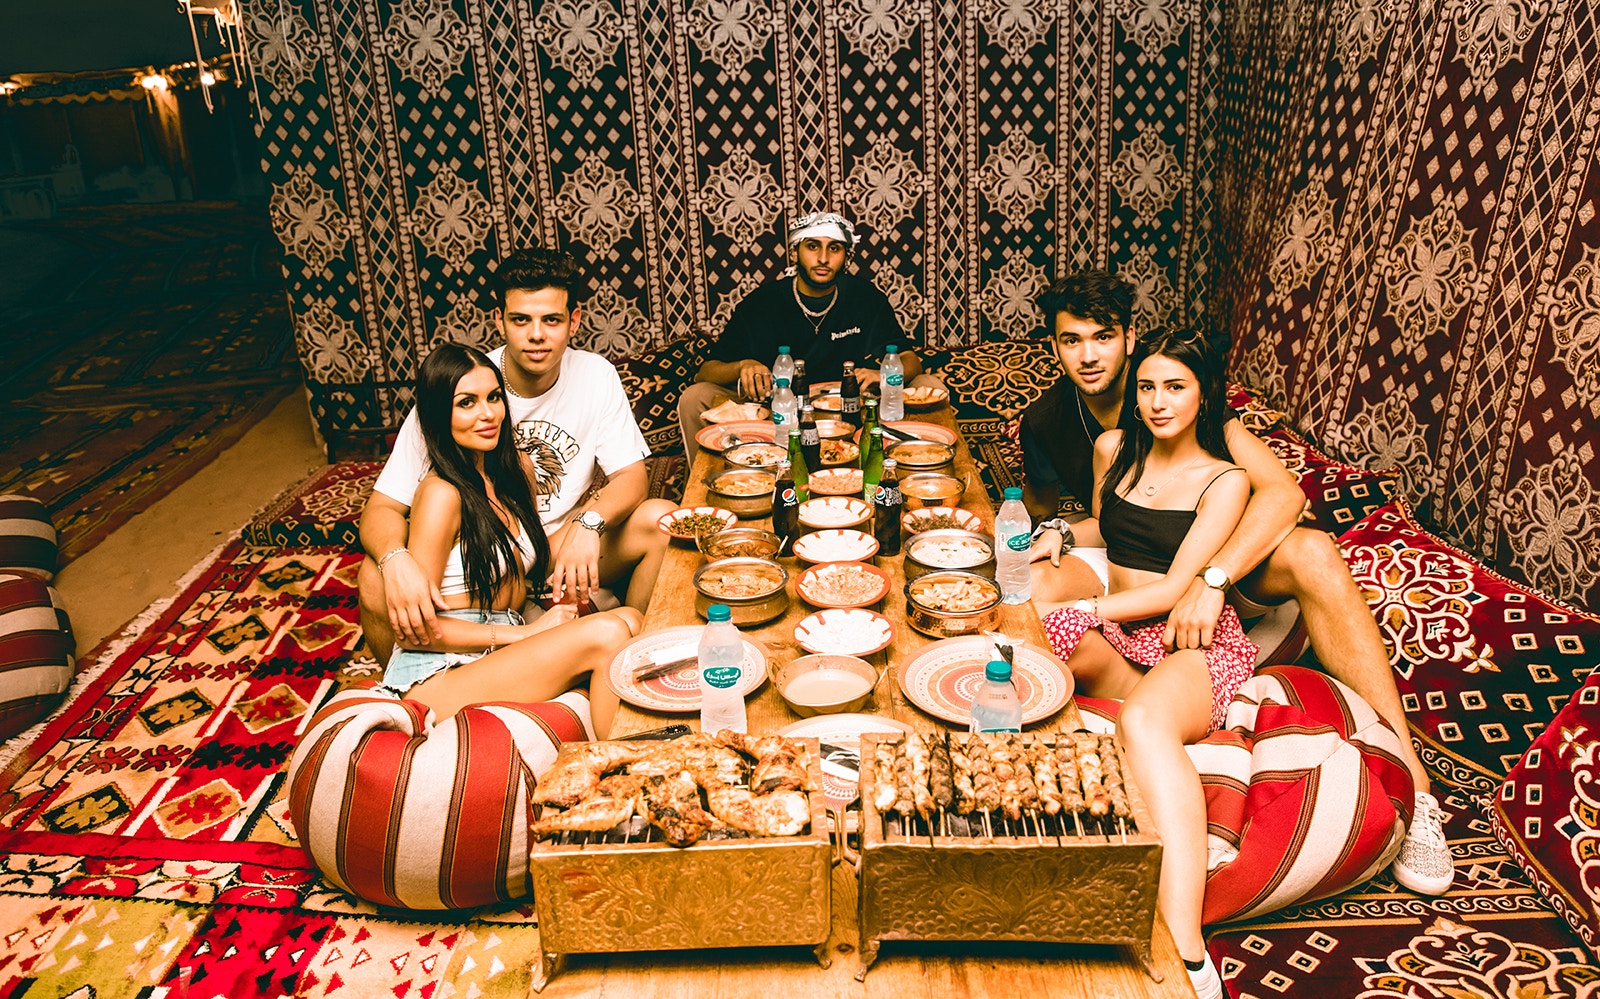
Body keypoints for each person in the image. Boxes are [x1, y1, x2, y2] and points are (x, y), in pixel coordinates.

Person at [1020, 270, 1453, 898]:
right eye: (1071, 340)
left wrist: (1212, 579)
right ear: (1054, 346)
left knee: (1313, 550)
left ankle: (1414, 784)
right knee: (1032, 586)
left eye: (1104, 338)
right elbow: (1109, 520)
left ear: (1131, 340)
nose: (1089, 355)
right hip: (1142, 565)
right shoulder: (1064, 422)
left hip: (1228, 567)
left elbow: (1284, 493)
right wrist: (1061, 533)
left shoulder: (1212, 421)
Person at [1034, 325, 1249, 999]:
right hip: (1123, 631)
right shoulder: (1116, 450)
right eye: (1149, 386)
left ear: (1203, 392)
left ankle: (1187, 950)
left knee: (1149, 723)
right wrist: (1059, 535)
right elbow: (1113, 529)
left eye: (1176, 387)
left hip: (1189, 636)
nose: (1158, 402)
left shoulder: (1225, 478)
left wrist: (1087, 611)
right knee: (1020, 616)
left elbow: (1174, 583)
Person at [359, 247, 676, 663]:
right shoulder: (463, 387)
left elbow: (632, 476)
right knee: (372, 576)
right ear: (499, 320)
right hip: (487, 556)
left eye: (552, 320)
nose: (537, 335)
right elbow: (381, 507)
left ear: (574, 321)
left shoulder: (595, 374)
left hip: (554, 547)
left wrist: (589, 522)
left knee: (663, 521)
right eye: (521, 319)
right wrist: (394, 559)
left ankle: (639, 655)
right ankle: (410, 691)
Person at [377, 343, 642, 737]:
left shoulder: (517, 470)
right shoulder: (440, 495)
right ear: (438, 414)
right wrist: (526, 634)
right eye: (466, 402)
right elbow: (418, 632)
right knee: (608, 634)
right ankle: (615, 770)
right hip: (440, 673)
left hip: (497, 644)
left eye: (494, 397)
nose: (487, 414)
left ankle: (645, 735)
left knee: (632, 620)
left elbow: (515, 579)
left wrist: (561, 603)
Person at [677, 211, 941, 461]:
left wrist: (882, 375)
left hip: (852, 410)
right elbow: (705, 373)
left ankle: (923, 463)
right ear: (795, 252)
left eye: (834, 248)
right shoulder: (761, 304)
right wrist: (742, 366)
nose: (823, 258)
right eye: (813, 246)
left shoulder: (865, 297)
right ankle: (701, 488)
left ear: (846, 257)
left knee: (930, 382)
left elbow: (910, 360)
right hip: (776, 414)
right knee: (694, 397)